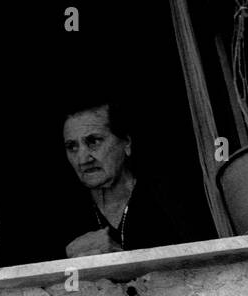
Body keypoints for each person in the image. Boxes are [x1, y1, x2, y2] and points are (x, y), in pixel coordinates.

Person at [61, 100, 188, 257]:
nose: (82, 159)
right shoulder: (63, 214)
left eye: (93, 141)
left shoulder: (169, 201)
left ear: (126, 143)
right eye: (72, 147)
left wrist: (123, 262)